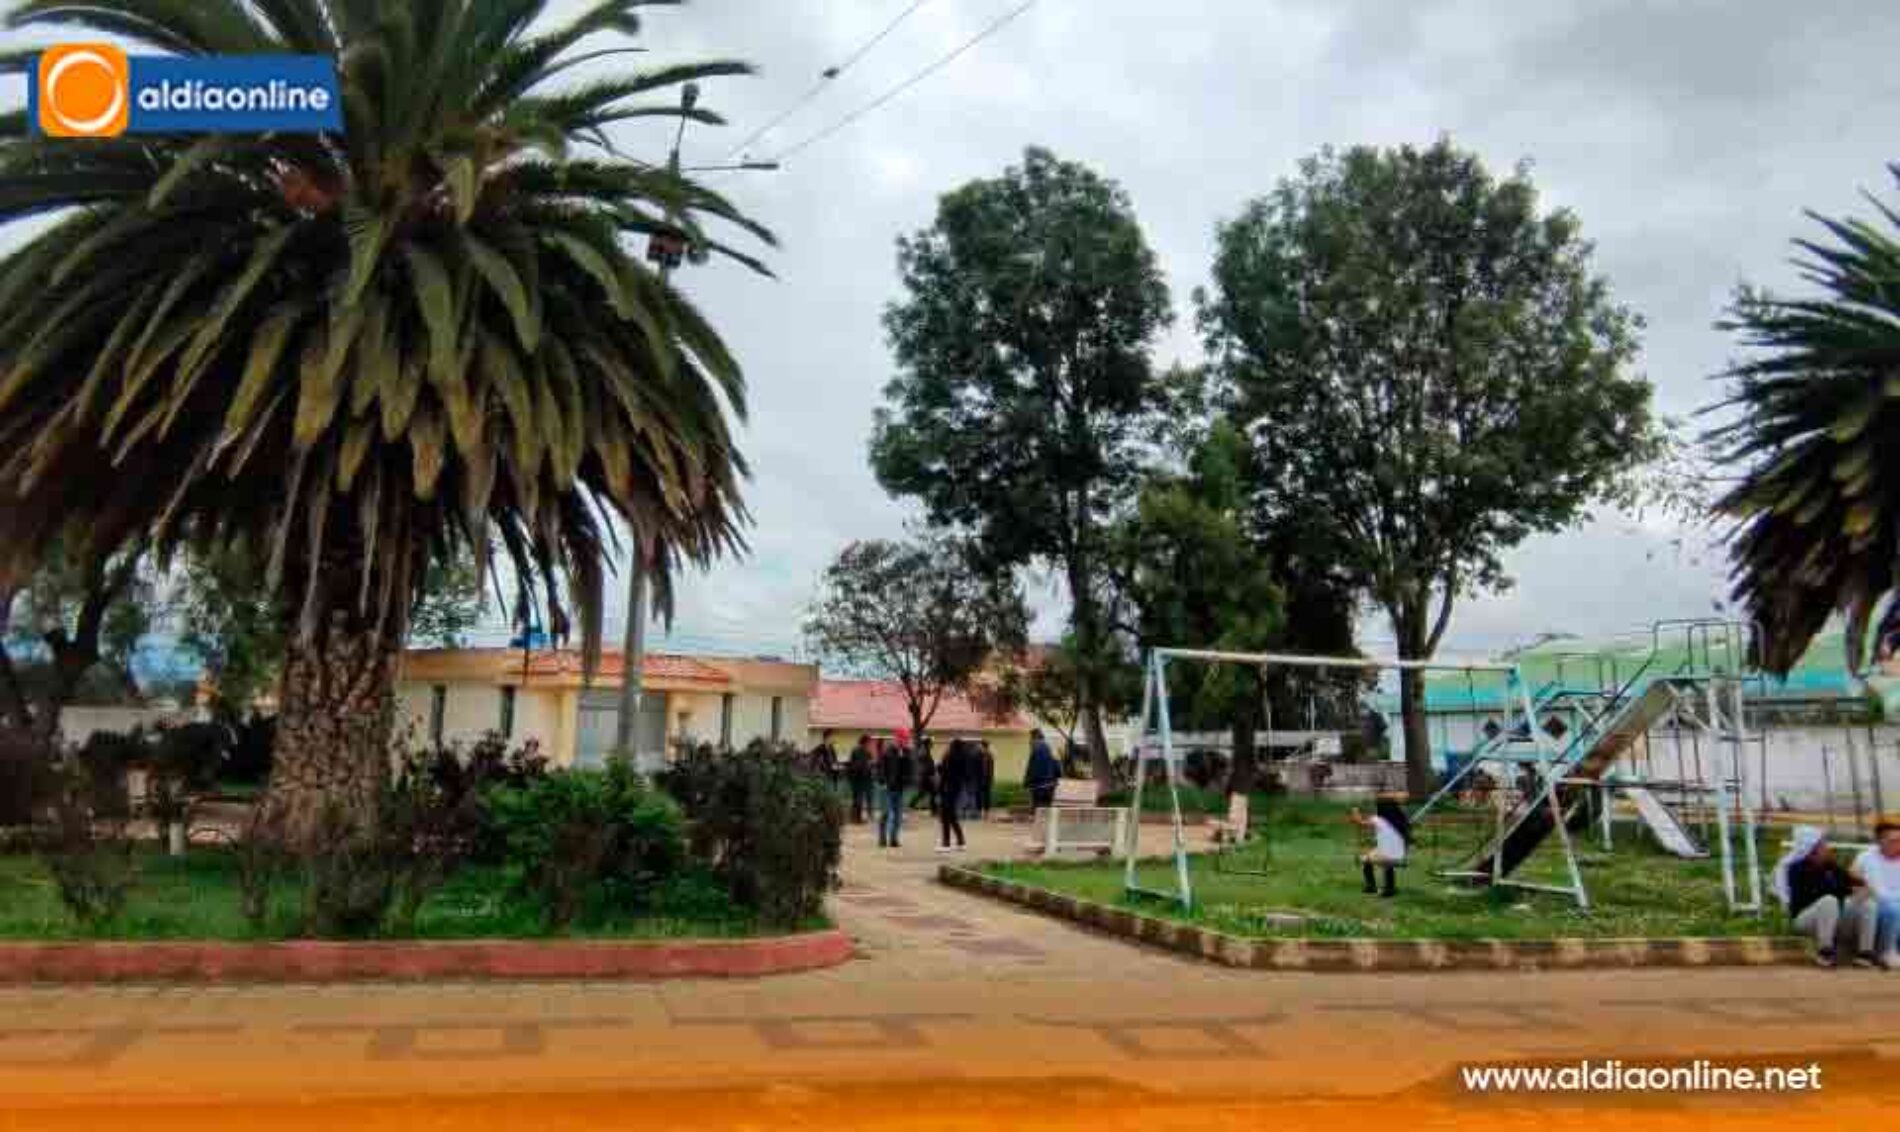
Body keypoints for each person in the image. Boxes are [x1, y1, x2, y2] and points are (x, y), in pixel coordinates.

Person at [1774, 825, 1863, 967]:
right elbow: (1821, 892)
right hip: (1804, 920)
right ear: (1812, 848)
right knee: (1829, 901)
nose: (1827, 847)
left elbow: (1854, 882)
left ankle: (1865, 954)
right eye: (1823, 844)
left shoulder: (1829, 864)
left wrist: (1861, 886)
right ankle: (1824, 952)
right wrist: (1850, 890)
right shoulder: (1796, 869)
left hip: (1831, 916)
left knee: (1866, 904)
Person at [1850, 820, 1900, 969]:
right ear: (1880, 841)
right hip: (1875, 904)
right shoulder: (1865, 857)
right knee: (1892, 909)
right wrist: (1862, 892)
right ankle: (1887, 951)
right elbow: (1851, 882)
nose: (1898, 844)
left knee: (1895, 908)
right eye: (1894, 841)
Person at [1351, 795, 1410, 897]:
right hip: (1400, 854)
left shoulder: (1378, 819)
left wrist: (1355, 812)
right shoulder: (1399, 820)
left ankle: (1372, 887)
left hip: (1386, 854)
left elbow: (1360, 823)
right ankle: (1390, 888)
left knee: (1366, 860)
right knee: (1387, 862)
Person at [933, 739, 973, 852]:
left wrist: (938, 767)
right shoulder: (964, 758)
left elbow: (944, 774)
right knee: (951, 817)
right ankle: (960, 842)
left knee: (946, 817)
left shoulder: (949, 757)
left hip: (947, 789)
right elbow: (965, 775)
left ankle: (946, 844)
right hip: (956, 789)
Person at [878, 730, 914, 848]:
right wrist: (883, 782)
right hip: (887, 787)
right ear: (897, 738)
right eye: (904, 739)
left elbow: (909, 769)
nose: (906, 741)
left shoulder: (907, 752)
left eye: (907, 739)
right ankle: (882, 838)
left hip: (900, 788)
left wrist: (908, 781)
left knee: (898, 815)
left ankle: (894, 839)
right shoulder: (887, 752)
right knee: (887, 813)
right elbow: (881, 769)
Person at [1025, 729, 1062, 811]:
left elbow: (1032, 769)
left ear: (1035, 737)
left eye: (1031, 738)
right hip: (1050, 785)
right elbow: (1057, 767)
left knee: (1038, 811)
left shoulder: (1036, 748)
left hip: (1038, 786)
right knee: (1046, 810)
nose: (1030, 741)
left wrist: (1027, 783)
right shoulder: (1050, 747)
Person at [845, 735, 875, 825]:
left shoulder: (866, 752)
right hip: (857, 779)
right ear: (865, 742)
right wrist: (868, 764)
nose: (870, 744)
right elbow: (858, 765)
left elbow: (869, 764)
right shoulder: (858, 751)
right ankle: (856, 819)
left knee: (859, 799)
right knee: (858, 799)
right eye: (869, 742)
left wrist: (871, 764)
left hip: (865, 779)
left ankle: (856, 818)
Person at [909, 737, 938, 813]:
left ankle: (933, 809)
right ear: (928, 744)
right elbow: (926, 765)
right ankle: (933, 809)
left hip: (925, 776)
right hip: (926, 777)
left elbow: (926, 764)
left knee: (927, 793)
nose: (932, 745)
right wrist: (931, 773)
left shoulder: (924, 751)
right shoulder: (924, 751)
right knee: (930, 792)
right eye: (931, 743)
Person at [977, 740, 996, 818]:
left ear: (983, 746)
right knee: (986, 796)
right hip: (987, 779)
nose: (979, 747)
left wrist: (982, 779)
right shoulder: (989, 755)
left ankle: (984, 812)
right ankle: (986, 812)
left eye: (980, 746)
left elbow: (985, 769)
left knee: (983, 796)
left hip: (984, 780)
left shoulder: (986, 755)